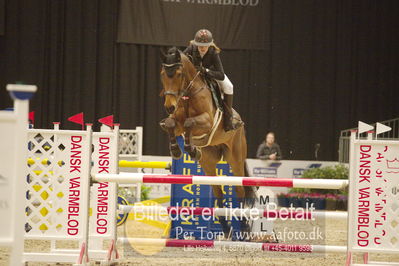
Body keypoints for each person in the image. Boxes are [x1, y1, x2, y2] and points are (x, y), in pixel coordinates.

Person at [183, 29, 240, 131]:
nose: (202, 48)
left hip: (210, 75)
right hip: (194, 77)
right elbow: (181, 60)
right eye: (200, 45)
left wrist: (206, 71)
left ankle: (228, 119)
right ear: (196, 44)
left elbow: (221, 75)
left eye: (205, 45)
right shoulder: (191, 49)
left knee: (229, 86)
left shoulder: (213, 53)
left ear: (210, 44)